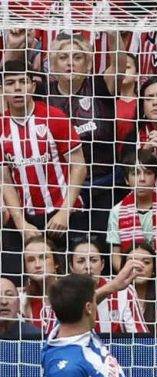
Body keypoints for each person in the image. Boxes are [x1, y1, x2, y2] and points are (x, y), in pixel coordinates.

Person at [40, 32, 122, 234]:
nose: (70, 63)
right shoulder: (43, 94)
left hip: (104, 186)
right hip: (60, 190)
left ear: (88, 64)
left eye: (77, 57)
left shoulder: (100, 86)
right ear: (53, 65)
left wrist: (113, 33)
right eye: (63, 57)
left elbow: (119, 65)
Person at [0, 59, 88, 242]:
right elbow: (5, 180)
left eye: (23, 81)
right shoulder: (1, 127)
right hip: (28, 219)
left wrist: (64, 212)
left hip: (66, 213)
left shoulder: (54, 117)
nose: (17, 88)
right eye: (10, 83)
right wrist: (20, 223)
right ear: (2, 90)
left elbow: (79, 166)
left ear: (33, 86)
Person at [106, 150, 157, 271]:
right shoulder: (116, 211)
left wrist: (152, 272)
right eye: (135, 173)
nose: (142, 179)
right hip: (128, 275)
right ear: (126, 180)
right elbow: (115, 255)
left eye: (148, 173)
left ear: (155, 177)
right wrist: (128, 275)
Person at [69, 236, 148, 334]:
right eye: (81, 261)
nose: (88, 267)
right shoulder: (62, 294)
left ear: (102, 264)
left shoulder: (124, 291)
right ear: (71, 267)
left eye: (93, 260)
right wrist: (112, 287)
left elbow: (140, 337)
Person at [19, 235, 61, 334]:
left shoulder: (72, 292)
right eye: (31, 260)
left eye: (43, 257)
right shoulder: (21, 300)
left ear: (56, 263)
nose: (37, 265)